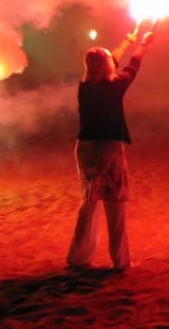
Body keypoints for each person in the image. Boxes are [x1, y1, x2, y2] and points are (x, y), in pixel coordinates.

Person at [66, 28, 154, 271]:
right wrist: (143, 44)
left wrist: (128, 39)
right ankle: (120, 261)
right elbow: (133, 65)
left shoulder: (84, 87)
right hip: (108, 149)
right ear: (107, 66)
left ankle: (78, 258)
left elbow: (112, 60)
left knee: (90, 201)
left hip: (85, 148)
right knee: (116, 204)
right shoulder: (115, 87)